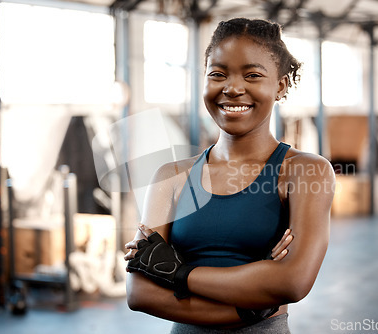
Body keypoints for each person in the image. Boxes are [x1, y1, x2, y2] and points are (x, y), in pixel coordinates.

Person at [124, 18, 335, 333]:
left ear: (280, 86)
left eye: (252, 75)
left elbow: (292, 282)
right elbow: (140, 294)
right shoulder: (171, 176)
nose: (233, 88)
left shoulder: (305, 170)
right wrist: (253, 301)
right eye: (217, 74)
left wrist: (177, 273)